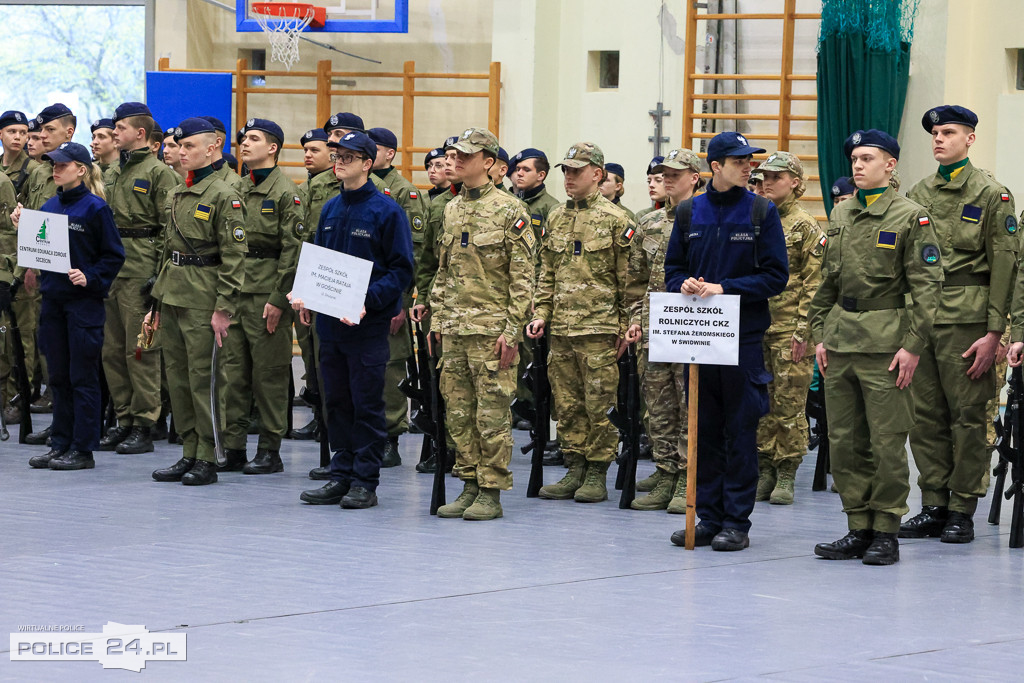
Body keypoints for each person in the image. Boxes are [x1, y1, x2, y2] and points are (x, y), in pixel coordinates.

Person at [809, 129, 943, 565]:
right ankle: (857, 526)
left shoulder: (911, 216)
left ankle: (886, 529)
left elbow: (928, 288)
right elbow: (827, 282)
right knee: (845, 442)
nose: (858, 165)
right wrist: (818, 334)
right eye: (854, 159)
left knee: (886, 441)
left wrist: (913, 347)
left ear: (890, 165)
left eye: (867, 158)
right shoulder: (842, 213)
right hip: (841, 340)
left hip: (887, 344)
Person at [664, 131, 788, 551]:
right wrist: (683, 284)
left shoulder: (760, 211)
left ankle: (736, 521)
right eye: (739, 161)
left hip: (742, 341)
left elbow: (776, 276)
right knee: (704, 431)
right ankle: (708, 517)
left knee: (740, 431)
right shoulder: (688, 212)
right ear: (715, 166)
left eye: (750, 160)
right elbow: (673, 269)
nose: (748, 167)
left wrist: (726, 288)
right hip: (698, 339)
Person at [900, 105, 1019, 543]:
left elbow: (1005, 265)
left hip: (968, 319)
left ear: (970, 139)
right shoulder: (917, 192)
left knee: (968, 416)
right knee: (924, 416)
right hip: (922, 318)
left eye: (949, 132)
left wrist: (994, 333)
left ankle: (962, 507)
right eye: (935, 133)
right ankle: (933, 503)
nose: (939, 139)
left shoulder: (992, 195)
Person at [296, 131, 413, 509]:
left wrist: (369, 300)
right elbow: (318, 260)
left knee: (366, 403)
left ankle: (365, 480)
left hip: (366, 325)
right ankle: (340, 474)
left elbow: (401, 270)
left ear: (367, 163)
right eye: (337, 156)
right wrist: (305, 295)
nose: (339, 162)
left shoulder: (386, 210)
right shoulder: (331, 208)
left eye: (348, 156)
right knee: (336, 403)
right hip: (330, 324)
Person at [428, 127, 534, 519]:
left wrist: (512, 330)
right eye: (453, 155)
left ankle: (491, 490)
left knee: (491, 415)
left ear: (488, 163)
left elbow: (523, 277)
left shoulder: (510, 210)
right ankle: (469, 483)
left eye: (465, 156)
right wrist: (437, 320)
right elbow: (444, 271)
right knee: (458, 414)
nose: (454, 161)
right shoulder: (452, 208)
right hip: (454, 328)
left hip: (491, 331)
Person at [527, 142, 634, 504]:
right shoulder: (556, 217)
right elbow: (546, 272)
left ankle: (597, 472)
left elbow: (629, 280)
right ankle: (574, 466)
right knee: (567, 404)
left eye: (577, 171)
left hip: (599, 329)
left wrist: (625, 326)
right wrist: (541, 313)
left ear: (597, 174)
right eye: (566, 171)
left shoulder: (617, 220)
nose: (569, 177)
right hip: (561, 329)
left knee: (599, 403)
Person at [147, 117, 247, 486]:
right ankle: (189, 450)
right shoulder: (177, 192)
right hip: (173, 294)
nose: (181, 152)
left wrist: (224, 307)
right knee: (178, 379)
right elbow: (167, 252)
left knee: (206, 380)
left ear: (212, 147)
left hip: (205, 298)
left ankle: (209, 454)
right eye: (179, 146)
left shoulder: (224, 195)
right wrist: (156, 304)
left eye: (189, 146)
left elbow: (234, 257)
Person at [17, 142, 124, 470]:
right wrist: (23, 228)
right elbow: (40, 249)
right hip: (53, 301)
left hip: (83, 304)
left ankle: (82, 448)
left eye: (63, 165)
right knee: (58, 377)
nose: (56, 169)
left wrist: (91, 276)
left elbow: (113, 255)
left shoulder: (95, 209)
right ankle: (60, 442)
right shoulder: (49, 206)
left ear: (81, 169)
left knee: (82, 376)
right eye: (54, 164)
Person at [98, 102, 182, 455]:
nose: (114, 133)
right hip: (111, 268)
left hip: (141, 269)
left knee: (140, 350)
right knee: (111, 351)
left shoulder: (160, 173)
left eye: (120, 128)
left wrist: (158, 276)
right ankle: (124, 419)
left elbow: (170, 230)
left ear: (140, 133)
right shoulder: (112, 171)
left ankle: (145, 424)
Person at [219, 118, 302, 474]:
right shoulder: (234, 188)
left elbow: (293, 250)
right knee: (233, 374)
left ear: (272, 147)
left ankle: (270, 449)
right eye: (243, 138)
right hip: (235, 291)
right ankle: (234, 447)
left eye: (253, 138)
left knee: (268, 376)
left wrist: (279, 299)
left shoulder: (286, 192)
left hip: (267, 294)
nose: (245, 143)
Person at [624, 148, 703, 512]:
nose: (668, 179)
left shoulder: (708, 220)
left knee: (690, 406)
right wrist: (635, 319)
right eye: (664, 174)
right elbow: (636, 281)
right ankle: (665, 473)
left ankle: (689, 479)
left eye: (675, 174)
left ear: (695, 178)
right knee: (658, 408)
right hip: (655, 329)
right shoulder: (649, 224)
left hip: (693, 329)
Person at [754, 151, 826, 505]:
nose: (767, 183)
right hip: (757, 327)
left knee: (789, 403)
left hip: (789, 331)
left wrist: (803, 332)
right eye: (764, 177)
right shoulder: (755, 220)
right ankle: (764, 467)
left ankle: (786, 471)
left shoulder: (804, 226)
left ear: (795, 183)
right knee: (761, 403)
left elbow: (814, 285)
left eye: (776, 178)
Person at [367, 126, 429, 466]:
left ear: (390, 153)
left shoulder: (404, 192)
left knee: (390, 369)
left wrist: (402, 302)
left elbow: (412, 254)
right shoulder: (357, 187)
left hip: (390, 293)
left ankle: (390, 437)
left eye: (374, 147)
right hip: (360, 292)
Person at [290, 127, 336, 442]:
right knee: (309, 353)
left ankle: (332, 422)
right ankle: (319, 416)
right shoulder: (304, 188)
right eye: (305, 150)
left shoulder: (338, 188)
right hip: (304, 279)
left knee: (327, 357)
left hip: (329, 281)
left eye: (314, 150)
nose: (307, 155)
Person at [635, 157, 667, 223]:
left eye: (658, 180)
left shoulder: (680, 214)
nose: (651, 185)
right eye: (649, 181)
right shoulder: (642, 216)